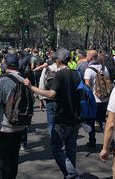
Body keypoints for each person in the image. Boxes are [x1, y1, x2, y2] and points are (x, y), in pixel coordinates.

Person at [25, 48, 82, 179]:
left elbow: (51, 94)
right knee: (71, 150)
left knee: (56, 148)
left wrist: (31, 87)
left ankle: (72, 175)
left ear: (58, 60)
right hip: (75, 117)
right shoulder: (76, 74)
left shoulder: (60, 75)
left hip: (62, 117)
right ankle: (69, 174)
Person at [0, 53, 29, 179]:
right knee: (14, 156)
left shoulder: (3, 81)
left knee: (1, 158)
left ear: (6, 64)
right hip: (20, 124)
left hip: (5, 126)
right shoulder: (24, 80)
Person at [84, 50, 110, 148]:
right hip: (104, 99)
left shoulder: (89, 69)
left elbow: (87, 87)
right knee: (102, 120)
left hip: (94, 100)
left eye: (87, 55)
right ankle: (109, 143)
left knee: (91, 121)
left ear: (91, 57)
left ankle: (92, 141)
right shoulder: (104, 68)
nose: (86, 56)